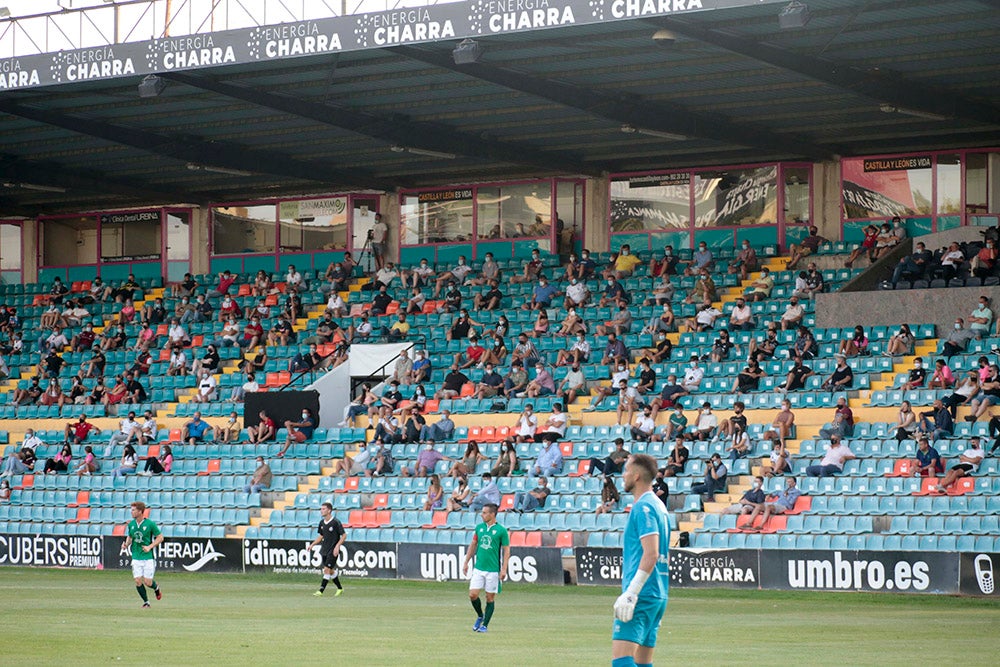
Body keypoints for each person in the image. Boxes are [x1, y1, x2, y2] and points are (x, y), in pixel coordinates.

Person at [612, 453, 670, 667]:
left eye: (626, 470)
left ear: (636, 476)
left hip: (643, 593)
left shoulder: (643, 507)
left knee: (621, 661)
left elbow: (652, 553)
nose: (623, 475)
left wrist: (631, 592)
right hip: (657, 593)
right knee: (643, 662)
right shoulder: (659, 506)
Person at [463, 502, 510, 634]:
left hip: (493, 570)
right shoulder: (479, 528)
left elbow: (506, 551)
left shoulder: (501, 530)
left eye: (484, 512)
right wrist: (466, 561)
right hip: (479, 568)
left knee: (489, 598)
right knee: (473, 595)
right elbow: (473, 545)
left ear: (492, 514)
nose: (481, 515)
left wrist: (504, 569)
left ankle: (485, 625)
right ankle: (480, 615)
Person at [124, 502, 163, 608]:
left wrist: (150, 547)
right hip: (136, 556)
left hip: (148, 557)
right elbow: (130, 537)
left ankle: (156, 588)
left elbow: (160, 537)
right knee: (137, 580)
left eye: (133, 510)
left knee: (148, 582)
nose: (131, 512)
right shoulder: (131, 524)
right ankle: (146, 602)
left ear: (140, 511)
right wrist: (126, 544)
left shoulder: (150, 524)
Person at [310, 502, 347, 597]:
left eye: (323, 509)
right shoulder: (322, 523)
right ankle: (340, 588)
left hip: (333, 550)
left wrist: (337, 546)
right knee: (330, 571)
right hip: (324, 550)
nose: (321, 511)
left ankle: (321, 591)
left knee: (326, 570)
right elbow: (321, 536)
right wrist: (313, 544)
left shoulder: (335, 522)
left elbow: (344, 535)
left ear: (329, 510)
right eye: (321, 509)